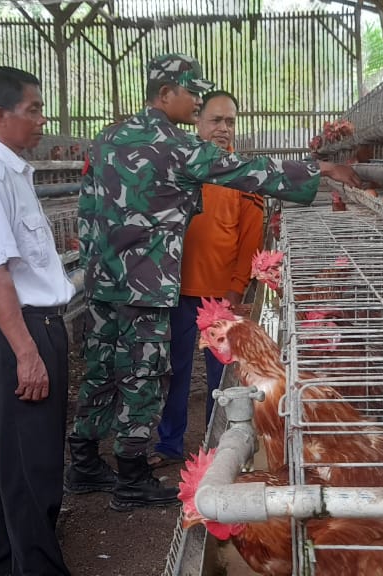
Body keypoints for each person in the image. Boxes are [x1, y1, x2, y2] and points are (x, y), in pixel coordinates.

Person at [65, 53, 361, 512]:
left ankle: (83, 463)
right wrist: (320, 169)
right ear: (166, 95)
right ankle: (131, 478)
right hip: (145, 284)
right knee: (143, 376)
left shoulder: (108, 138)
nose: (197, 100)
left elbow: (86, 209)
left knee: (102, 371)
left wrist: (92, 268)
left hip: (103, 281)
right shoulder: (173, 143)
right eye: (192, 93)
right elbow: (246, 171)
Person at [0, 66, 74, 576]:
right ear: (2, 115)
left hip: (37, 327)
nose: (42, 120)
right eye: (33, 109)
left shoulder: (11, 173)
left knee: (24, 460)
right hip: (21, 330)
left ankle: (6, 564)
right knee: (33, 471)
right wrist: (27, 354)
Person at [151, 90, 262, 467]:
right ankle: (169, 444)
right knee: (176, 368)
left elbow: (250, 239)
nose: (223, 128)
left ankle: (220, 449)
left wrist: (235, 288)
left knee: (223, 378)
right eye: (215, 120)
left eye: (230, 121)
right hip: (178, 292)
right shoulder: (178, 172)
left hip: (221, 296)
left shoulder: (243, 177)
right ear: (197, 123)